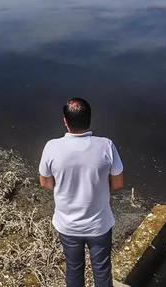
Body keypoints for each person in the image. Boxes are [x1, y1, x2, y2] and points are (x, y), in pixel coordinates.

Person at [39, 97, 125, 287]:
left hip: (68, 225)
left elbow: (45, 183)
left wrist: (66, 187)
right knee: (102, 270)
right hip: (99, 225)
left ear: (65, 121)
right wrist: (97, 188)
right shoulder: (106, 146)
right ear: (89, 119)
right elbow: (118, 183)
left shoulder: (52, 147)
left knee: (74, 269)